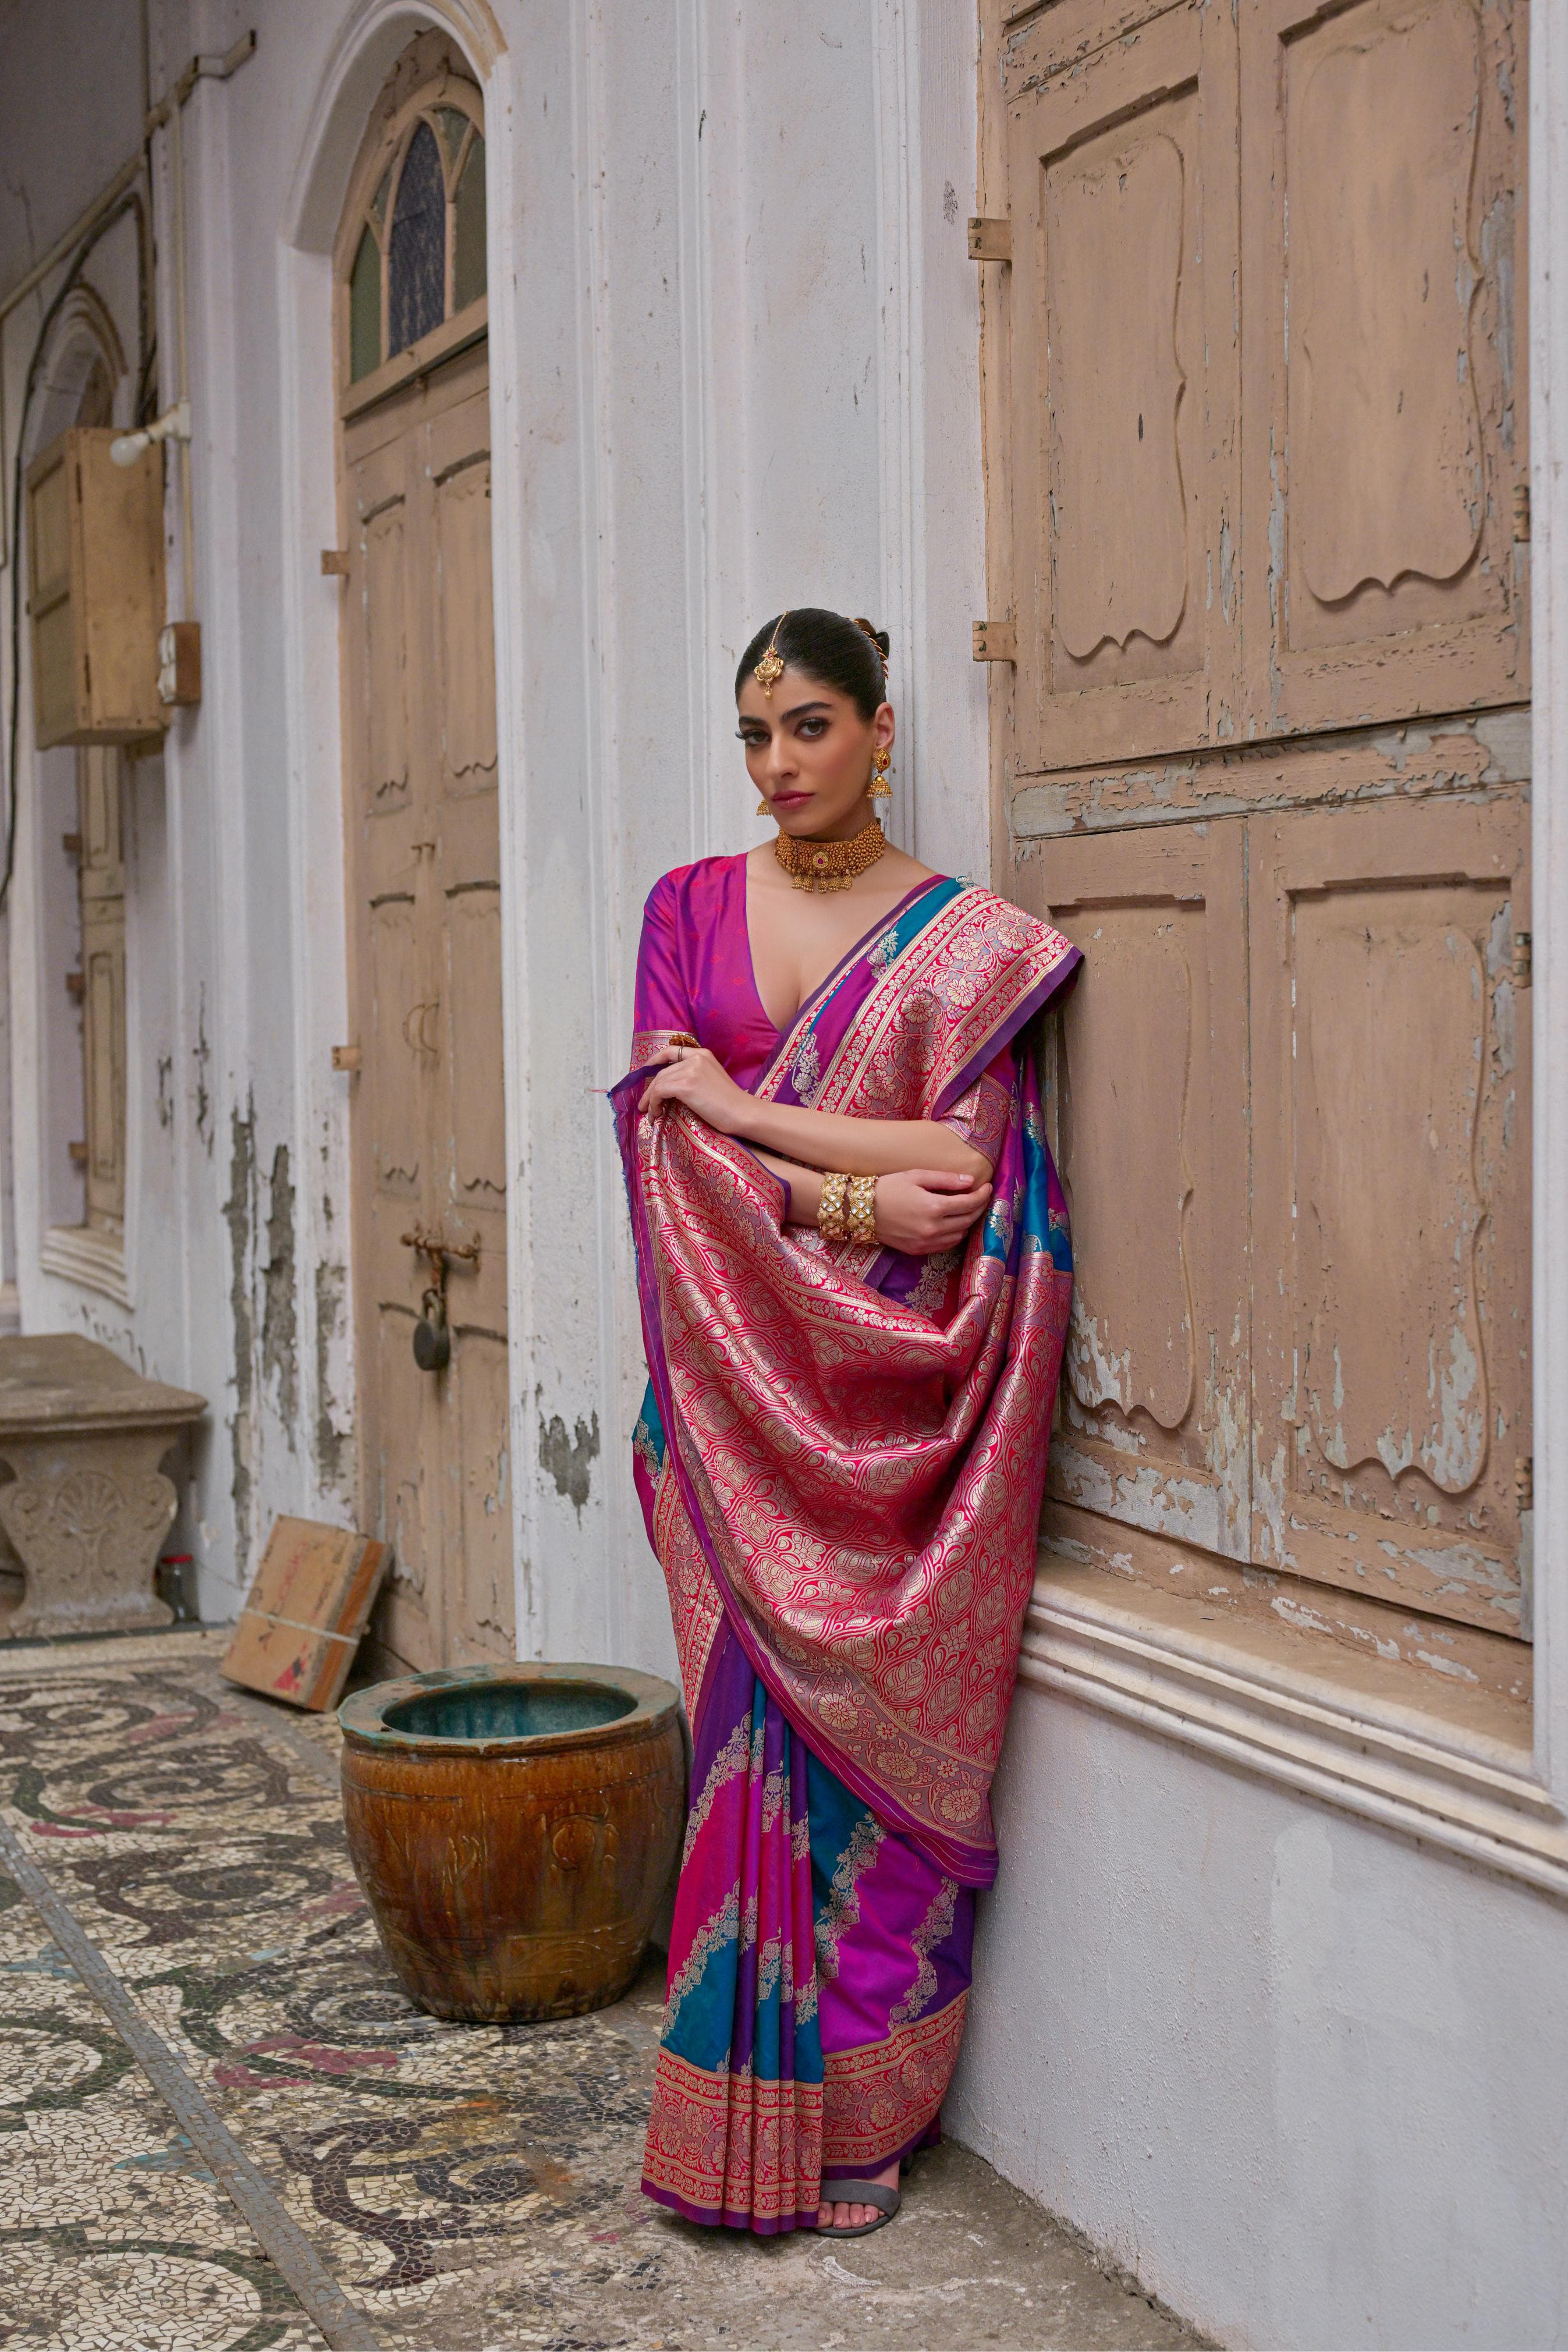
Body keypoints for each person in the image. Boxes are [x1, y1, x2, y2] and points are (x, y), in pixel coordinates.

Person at [611, 607, 1081, 2239]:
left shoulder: (964, 944)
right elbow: (662, 1147)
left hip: (897, 1424)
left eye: (809, 726)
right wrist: (834, 1180)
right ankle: (741, 2122)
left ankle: (865, 2116)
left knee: (874, 1792)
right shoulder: (686, 908)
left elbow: (961, 1183)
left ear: (884, 729)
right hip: (732, 1417)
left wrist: (743, 1115)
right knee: (751, 1754)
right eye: (753, 734)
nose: (776, 765)